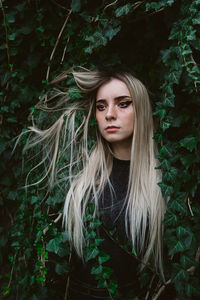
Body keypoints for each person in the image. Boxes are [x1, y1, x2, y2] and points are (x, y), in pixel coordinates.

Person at [26, 67, 166, 299]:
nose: (109, 114)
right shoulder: (79, 179)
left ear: (142, 109)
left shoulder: (163, 183)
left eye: (123, 103)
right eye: (101, 107)